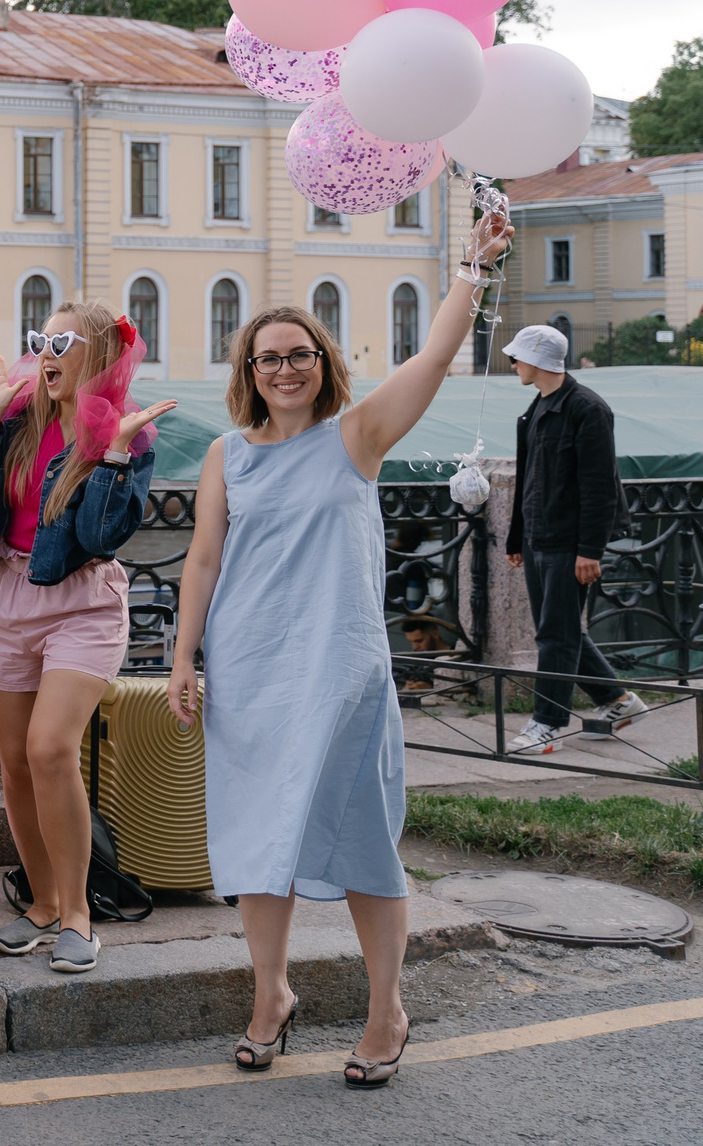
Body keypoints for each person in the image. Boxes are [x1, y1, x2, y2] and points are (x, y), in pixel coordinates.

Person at [167, 211, 512, 1089]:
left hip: (340, 668)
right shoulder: (226, 455)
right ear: (248, 371)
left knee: (362, 839)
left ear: (324, 362)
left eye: (299, 353)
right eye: (267, 357)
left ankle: (385, 1008)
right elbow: (203, 559)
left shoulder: (357, 437)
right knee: (256, 836)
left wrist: (470, 266)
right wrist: (182, 659)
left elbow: (433, 357)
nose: (284, 368)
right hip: (249, 670)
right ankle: (271, 992)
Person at [0, 302, 172, 977]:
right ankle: (42, 903)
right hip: (7, 595)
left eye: (61, 341)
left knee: (50, 748)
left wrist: (116, 457)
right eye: (39, 339)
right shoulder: (15, 418)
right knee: (14, 760)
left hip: (83, 602)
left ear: (98, 353)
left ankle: (78, 914)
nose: (45, 351)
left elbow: (102, 537)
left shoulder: (127, 431)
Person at [501, 324, 647, 753]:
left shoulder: (587, 409)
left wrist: (589, 551)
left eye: (518, 357)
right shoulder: (535, 409)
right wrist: (515, 539)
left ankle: (546, 725)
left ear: (539, 360)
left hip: (567, 544)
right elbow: (527, 479)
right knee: (562, 630)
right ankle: (619, 701)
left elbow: (601, 487)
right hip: (539, 538)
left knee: (555, 635)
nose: (512, 364)